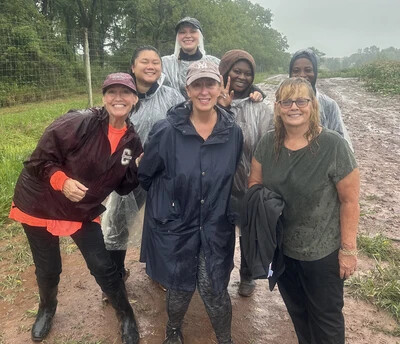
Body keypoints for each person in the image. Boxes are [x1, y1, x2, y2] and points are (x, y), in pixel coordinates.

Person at [9, 73, 143, 344]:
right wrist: (63, 181)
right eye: (112, 92)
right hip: (41, 202)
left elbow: (124, 185)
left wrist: (137, 168)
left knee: (103, 266)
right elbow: (39, 160)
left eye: (125, 93)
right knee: (48, 268)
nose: (119, 98)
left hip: (81, 208)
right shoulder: (79, 122)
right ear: (104, 97)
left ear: (135, 99)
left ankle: (126, 314)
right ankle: (47, 308)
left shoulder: (131, 142)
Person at [248, 77, 360, 344]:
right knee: (298, 314)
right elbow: (254, 184)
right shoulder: (267, 143)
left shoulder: (334, 146)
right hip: (283, 250)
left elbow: (350, 201)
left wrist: (348, 250)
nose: (293, 107)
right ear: (277, 107)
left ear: (313, 105)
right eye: (286, 101)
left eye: (301, 100)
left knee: (326, 321)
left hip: (323, 254)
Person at [138, 60, 243, 344]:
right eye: (198, 84)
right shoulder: (166, 131)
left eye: (210, 83)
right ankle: (172, 329)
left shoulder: (233, 132)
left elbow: (233, 175)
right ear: (188, 89)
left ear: (220, 87)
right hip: (177, 224)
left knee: (213, 288)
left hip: (215, 224)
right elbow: (145, 175)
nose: (204, 91)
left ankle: (225, 338)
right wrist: (169, 202)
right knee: (179, 285)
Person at [101, 46, 185, 295]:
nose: (151, 66)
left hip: (164, 173)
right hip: (127, 173)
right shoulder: (122, 98)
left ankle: (159, 271)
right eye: (145, 62)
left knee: (164, 221)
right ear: (133, 67)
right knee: (117, 220)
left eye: (156, 62)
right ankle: (116, 275)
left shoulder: (172, 97)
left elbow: (188, 126)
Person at [218, 49, 274, 297]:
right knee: (219, 233)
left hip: (249, 182)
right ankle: (218, 275)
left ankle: (247, 276)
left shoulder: (259, 107)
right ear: (225, 71)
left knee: (249, 234)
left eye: (247, 73)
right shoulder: (212, 99)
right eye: (236, 71)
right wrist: (223, 109)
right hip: (218, 183)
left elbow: (269, 142)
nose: (241, 77)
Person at [289, 48, 354, 151]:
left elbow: (342, 143)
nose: (302, 75)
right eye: (296, 71)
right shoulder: (284, 105)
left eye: (308, 70)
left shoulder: (329, 105)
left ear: (315, 72)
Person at [162, 17, 220, 99]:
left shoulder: (215, 63)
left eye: (193, 31)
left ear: (200, 36)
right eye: (182, 32)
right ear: (177, 37)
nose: (188, 36)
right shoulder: (164, 64)